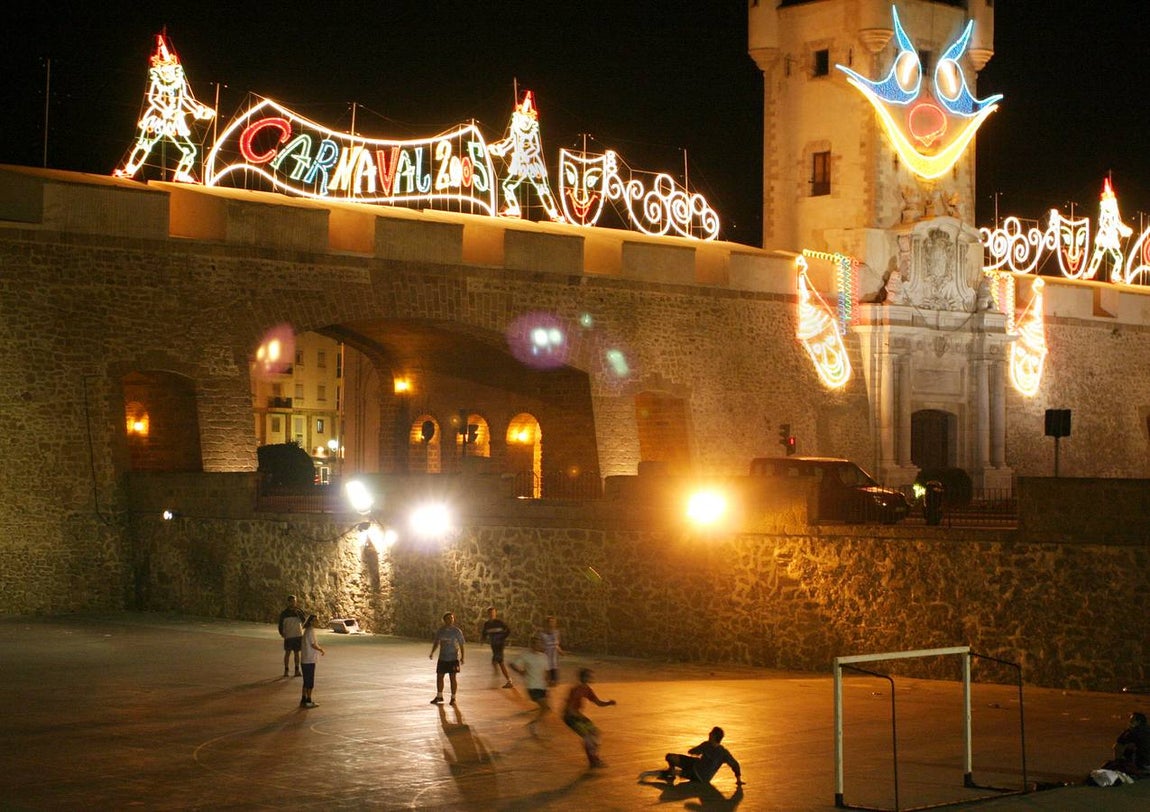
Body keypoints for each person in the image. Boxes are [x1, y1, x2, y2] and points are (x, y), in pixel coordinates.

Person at [563, 667, 616, 768]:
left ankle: (593, 759)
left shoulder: (586, 689)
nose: (591, 678)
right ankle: (594, 760)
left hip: (577, 715)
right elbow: (569, 710)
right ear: (584, 677)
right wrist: (579, 717)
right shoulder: (576, 690)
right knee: (588, 737)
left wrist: (608, 703)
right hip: (570, 717)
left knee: (596, 733)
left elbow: (598, 702)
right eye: (589, 676)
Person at [659, 726, 744, 785]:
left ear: (714, 736)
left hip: (701, 775)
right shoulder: (706, 744)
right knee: (669, 757)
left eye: (711, 733)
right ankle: (672, 771)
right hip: (695, 764)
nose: (709, 733)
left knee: (674, 772)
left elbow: (735, 764)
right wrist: (694, 751)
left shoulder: (723, 753)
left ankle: (673, 773)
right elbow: (692, 751)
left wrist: (738, 780)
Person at [509, 634, 551, 733]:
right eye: (535, 643)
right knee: (545, 708)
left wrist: (548, 683)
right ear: (532, 644)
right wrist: (520, 672)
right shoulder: (526, 655)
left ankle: (534, 724)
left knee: (546, 708)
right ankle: (534, 724)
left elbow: (547, 672)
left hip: (542, 687)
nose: (538, 645)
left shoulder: (544, 657)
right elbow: (512, 664)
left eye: (539, 643)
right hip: (532, 687)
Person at [429, 611, 466, 705]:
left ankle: (453, 697)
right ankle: (439, 696)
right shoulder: (440, 631)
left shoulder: (457, 631)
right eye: (448, 618)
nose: (450, 620)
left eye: (452, 618)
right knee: (439, 676)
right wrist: (432, 652)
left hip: (453, 659)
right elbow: (436, 642)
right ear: (444, 620)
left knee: (452, 677)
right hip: (442, 658)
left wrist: (462, 657)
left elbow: (461, 644)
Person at [1106, 711, 1150, 776]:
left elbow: (1117, 747)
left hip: (1144, 765)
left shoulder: (1132, 732)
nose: (1129, 722)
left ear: (1138, 722)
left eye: (1132, 720)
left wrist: (1117, 761)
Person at [481, 607, 513, 688]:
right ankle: (500, 676)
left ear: (495, 613)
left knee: (499, 662)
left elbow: (508, 630)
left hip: (500, 645)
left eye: (493, 613)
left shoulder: (499, 622)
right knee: (496, 662)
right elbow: (484, 633)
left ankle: (507, 680)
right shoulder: (487, 624)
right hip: (493, 645)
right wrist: (483, 639)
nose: (491, 614)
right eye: (490, 613)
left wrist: (502, 637)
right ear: (488, 614)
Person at [299, 614, 324, 708]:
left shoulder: (307, 630)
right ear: (311, 621)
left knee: (306, 680)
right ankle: (308, 700)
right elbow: (313, 644)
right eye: (315, 620)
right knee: (310, 681)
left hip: (305, 659)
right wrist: (321, 649)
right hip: (309, 659)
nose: (317, 622)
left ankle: (303, 699)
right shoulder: (311, 631)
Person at [278, 595, 307, 677]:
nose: (293, 603)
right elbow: (280, 624)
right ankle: (286, 670)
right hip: (289, 636)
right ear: (288, 602)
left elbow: (304, 621)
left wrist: (299, 614)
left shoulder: (299, 611)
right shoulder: (284, 613)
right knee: (287, 653)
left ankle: (296, 670)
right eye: (291, 601)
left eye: (294, 601)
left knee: (296, 653)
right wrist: (282, 633)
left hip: (297, 635)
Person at [540, 615, 564, 686]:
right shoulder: (542, 634)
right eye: (551, 622)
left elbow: (557, 643)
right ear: (547, 623)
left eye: (554, 622)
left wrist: (559, 650)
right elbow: (541, 644)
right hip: (546, 654)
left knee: (554, 667)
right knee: (547, 669)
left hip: (554, 655)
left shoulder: (557, 633)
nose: (552, 624)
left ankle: (553, 681)